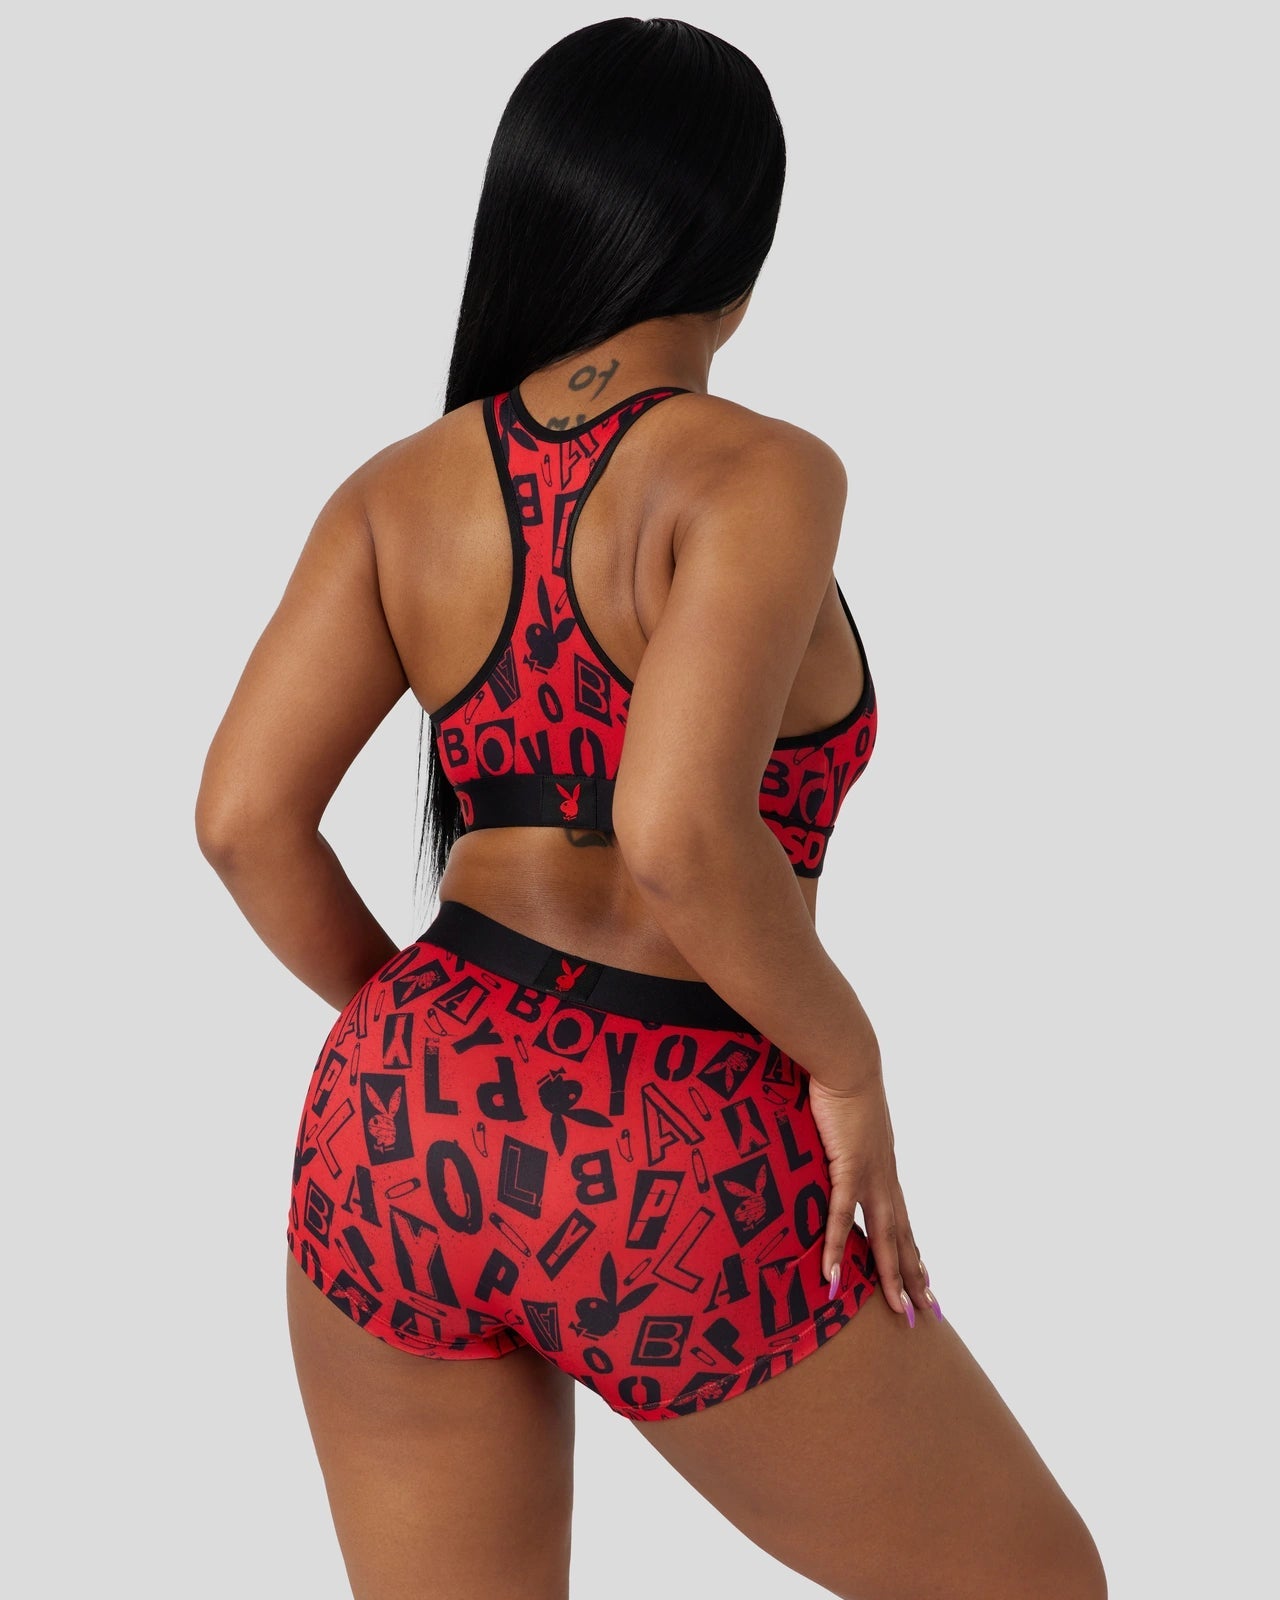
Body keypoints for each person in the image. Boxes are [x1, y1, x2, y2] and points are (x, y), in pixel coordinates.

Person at [196, 17, 1106, 1600]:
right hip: (670, 1147)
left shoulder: (395, 490)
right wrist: (850, 1059)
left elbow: (241, 819)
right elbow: (679, 834)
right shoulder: (759, 474)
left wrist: (429, 1044)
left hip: (394, 1124)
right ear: (742, 246)